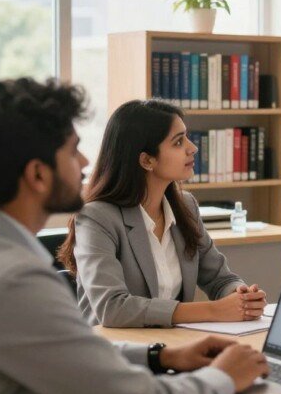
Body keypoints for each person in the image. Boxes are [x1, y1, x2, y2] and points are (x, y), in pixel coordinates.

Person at [0, 78, 268, 394]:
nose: (84, 162)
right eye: (72, 150)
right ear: (37, 174)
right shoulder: (13, 282)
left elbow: (65, 351)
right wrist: (224, 376)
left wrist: (160, 355)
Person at [59, 99, 266, 328]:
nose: (192, 147)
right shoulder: (97, 217)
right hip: (116, 352)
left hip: (176, 347)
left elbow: (220, 279)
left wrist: (242, 296)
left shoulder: (186, 206)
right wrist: (213, 310)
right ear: (147, 160)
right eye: (178, 142)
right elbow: (112, 307)